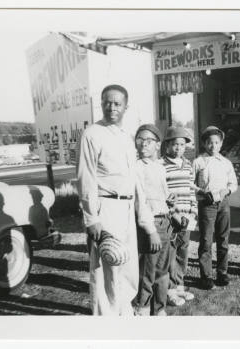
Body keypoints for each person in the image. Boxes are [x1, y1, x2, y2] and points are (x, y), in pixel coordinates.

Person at [77, 84, 158, 316]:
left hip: (126, 208)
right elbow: (86, 178)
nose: (111, 107)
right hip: (106, 208)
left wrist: (145, 220)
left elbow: (134, 180)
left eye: (117, 103)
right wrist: (92, 219)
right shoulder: (91, 134)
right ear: (101, 104)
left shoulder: (126, 136)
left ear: (126, 107)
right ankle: (106, 322)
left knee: (127, 267)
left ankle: (124, 314)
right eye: (107, 102)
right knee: (106, 269)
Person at [192, 126, 238, 290]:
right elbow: (190, 183)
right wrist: (202, 192)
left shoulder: (226, 163)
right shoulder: (198, 162)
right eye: (209, 142)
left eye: (216, 142)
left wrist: (227, 190)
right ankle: (206, 276)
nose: (213, 146)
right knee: (206, 240)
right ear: (205, 143)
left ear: (221, 144)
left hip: (223, 203)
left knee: (223, 238)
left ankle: (222, 273)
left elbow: (233, 183)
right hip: (207, 204)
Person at [133, 124, 172, 316]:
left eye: (148, 141)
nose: (143, 145)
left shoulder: (159, 167)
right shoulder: (137, 168)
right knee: (148, 271)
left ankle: (159, 308)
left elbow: (162, 195)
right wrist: (151, 230)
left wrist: (169, 202)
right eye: (139, 140)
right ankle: (142, 307)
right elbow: (140, 201)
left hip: (165, 222)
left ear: (158, 145)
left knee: (163, 270)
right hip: (151, 225)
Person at [159, 126, 197, 306]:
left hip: (187, 216)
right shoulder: (161, 165)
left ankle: (179, 285)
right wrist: (172, 211)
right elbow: (161, 192)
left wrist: (194, 212)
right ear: (167, 145)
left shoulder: (188, 165)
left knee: (183, 251)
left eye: (182, 145)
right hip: (170, 217)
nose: (179, 148)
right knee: (170, 253)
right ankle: (170, 291)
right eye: (175, 144)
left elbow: (191, 191)